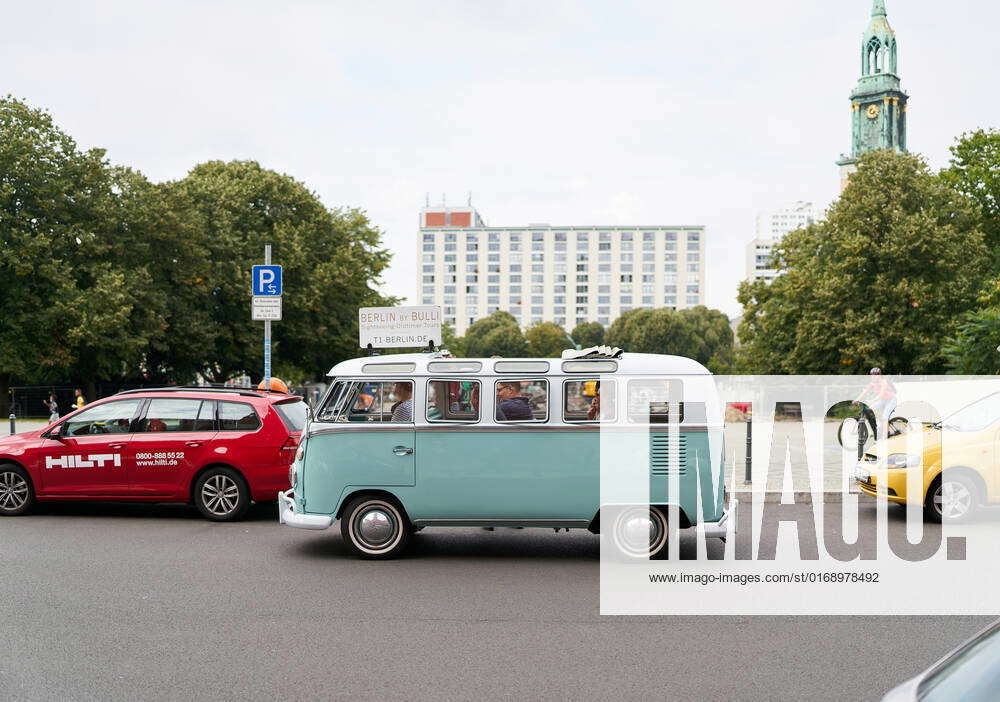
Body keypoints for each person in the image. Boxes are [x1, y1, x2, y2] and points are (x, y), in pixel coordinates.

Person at [853, 367, 897, 437]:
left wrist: (873, 400)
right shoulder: (872, 383)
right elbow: (864, 392)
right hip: (883, 400)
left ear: (879, 375)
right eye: (872, 375)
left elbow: (881, 394)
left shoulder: (884, 382)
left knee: (885, 417)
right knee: (869, 410)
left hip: (891, 400)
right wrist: (857, 399)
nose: (873, 376)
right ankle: (879, 425)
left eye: (875, 375)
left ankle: (884, 438)